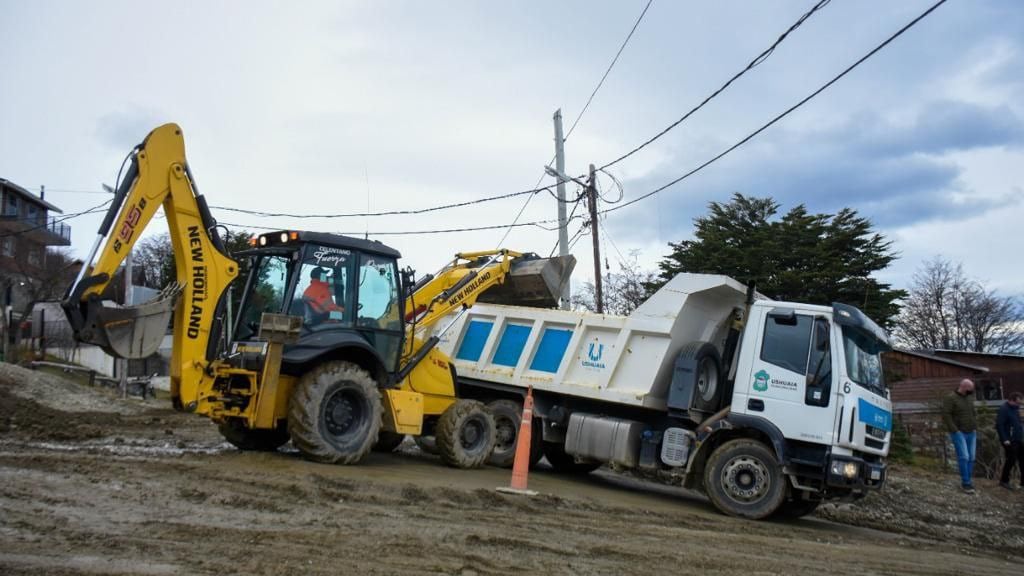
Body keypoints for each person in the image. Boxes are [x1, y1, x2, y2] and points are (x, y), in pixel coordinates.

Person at [941, 379, 978, 493]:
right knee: (964, 457)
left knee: (971, 457)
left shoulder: (969, 398)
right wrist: (954, 430)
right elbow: (946, 414)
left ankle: (969, 480)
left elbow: (973, 412)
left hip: (971, 431)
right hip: (959, 432)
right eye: (969, 389)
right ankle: (965, 483)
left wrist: (975, 427)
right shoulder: (951, 398)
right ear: (963, 387)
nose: (971, 391)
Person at [996, 392, 1024, 490]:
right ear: (1011, 400)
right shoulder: (1004, 409)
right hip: (1009, 440)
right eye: (1017, 403)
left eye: (1020, 403)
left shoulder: (1016, 409)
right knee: (1011, 460)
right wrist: (1005, 439)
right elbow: (1000, 425)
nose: (1019, 405)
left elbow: (1018, 423)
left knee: (1022, 459)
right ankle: (1004, 480)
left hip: (1019, 438)